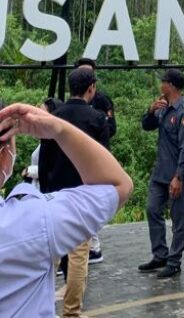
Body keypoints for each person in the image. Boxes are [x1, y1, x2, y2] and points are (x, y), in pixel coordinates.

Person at [0, 102, 132, 318]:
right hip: (64, 212)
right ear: (5, 153)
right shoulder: (32, 222)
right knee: (78, 260)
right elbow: (119, 185)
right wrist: (59, 130)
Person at [38, 68, 110, 318]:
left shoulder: (54, 117)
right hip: (83, 197)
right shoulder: (98, 120)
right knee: (79, 256)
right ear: (91, 87)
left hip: (54, 196)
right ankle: (72, 312)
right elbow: (104, 162)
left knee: (50, 256)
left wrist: (45, 193)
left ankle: (41, 308)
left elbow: (44, 159)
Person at [138, 68, 184, 279]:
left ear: (171, 85)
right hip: (159, 172)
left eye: (162, 81)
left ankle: (174, 261)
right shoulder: (163, 108)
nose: (160, 85)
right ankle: (160, 254)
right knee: (152, 209)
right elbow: (146, 126)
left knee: (177, 218)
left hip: (176, 175)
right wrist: (150, 110)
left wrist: (178, 176)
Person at [75, 57, 117, 264]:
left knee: (89, 203)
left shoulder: (102, 101)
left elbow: (112, 130)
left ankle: (93, 248)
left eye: (89, 74)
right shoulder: (71, 102)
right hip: (73, 160)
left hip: (94, 159)